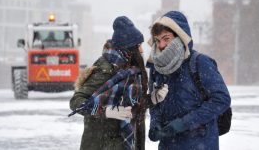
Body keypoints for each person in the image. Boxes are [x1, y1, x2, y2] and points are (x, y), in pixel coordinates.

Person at [69, 16, 168, 150]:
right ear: (128, 48)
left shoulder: (131, 70)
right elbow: (76, 102)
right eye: (138, 46)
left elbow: (131, 104)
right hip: (102, 144)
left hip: (126, 143)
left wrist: (152, 99)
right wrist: (106, 111)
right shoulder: (105, 68)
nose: (142, 50)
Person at [147, 11, 231, 150]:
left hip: (200, 143)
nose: (161, 45)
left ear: (180, 37)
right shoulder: (157, 69)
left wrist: (183, 123)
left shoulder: (199, 63)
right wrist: (154, 124)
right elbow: (155, 102)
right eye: (157, 40)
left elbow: (221, 99)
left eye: (166, 38)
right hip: (168, 145)